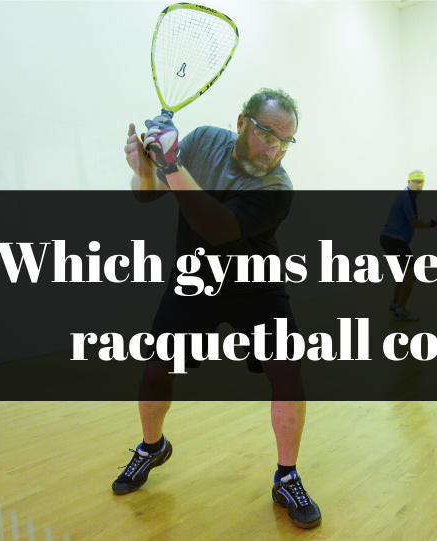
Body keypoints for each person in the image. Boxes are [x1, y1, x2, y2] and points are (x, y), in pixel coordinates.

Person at [115, 88, 321, 530]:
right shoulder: (205, 140)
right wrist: (145, 172)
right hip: (193, 281)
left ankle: (287, 476)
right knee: (155, 370)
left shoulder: (278, 187)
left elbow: (219, 229)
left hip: (257, 289)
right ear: (243, 120)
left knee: (286, 372)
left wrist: (170, 166)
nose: (274, 149)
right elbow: (148, 196)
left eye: (286, 141)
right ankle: (152, 447)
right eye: (267, 134)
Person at [379, 170, 437, 322]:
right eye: (416, 181)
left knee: (402, 275)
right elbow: (413, 222)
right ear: (408, 182)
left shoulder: (408, 196)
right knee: (411, 274)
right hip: (394, 240)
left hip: (388, 239)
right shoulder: (407, 197)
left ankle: (395, 305)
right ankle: (400, 310)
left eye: (421, 182)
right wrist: (430, 225)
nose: (419, 185)